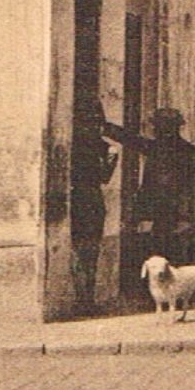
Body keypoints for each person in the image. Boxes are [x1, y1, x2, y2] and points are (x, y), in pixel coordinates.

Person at [111, 107, 195, 274]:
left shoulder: (165, 149)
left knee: (165, 252)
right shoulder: (188, 151)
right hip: (168, 211)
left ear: (168, 127)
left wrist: (187, 214)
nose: (156, 130)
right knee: (166, 253)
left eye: (159, 126)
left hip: (171, 211)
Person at [70, 97, 120, 312]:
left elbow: (104, 178)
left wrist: (111, 159)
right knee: (81, 251)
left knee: (90, 251)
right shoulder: (74, 143)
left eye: (96, 121)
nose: (93, 126)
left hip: (91, 200)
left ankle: (86, 299)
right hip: (79, 199)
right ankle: (82, 298)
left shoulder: (101, 146)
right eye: (88, 121)